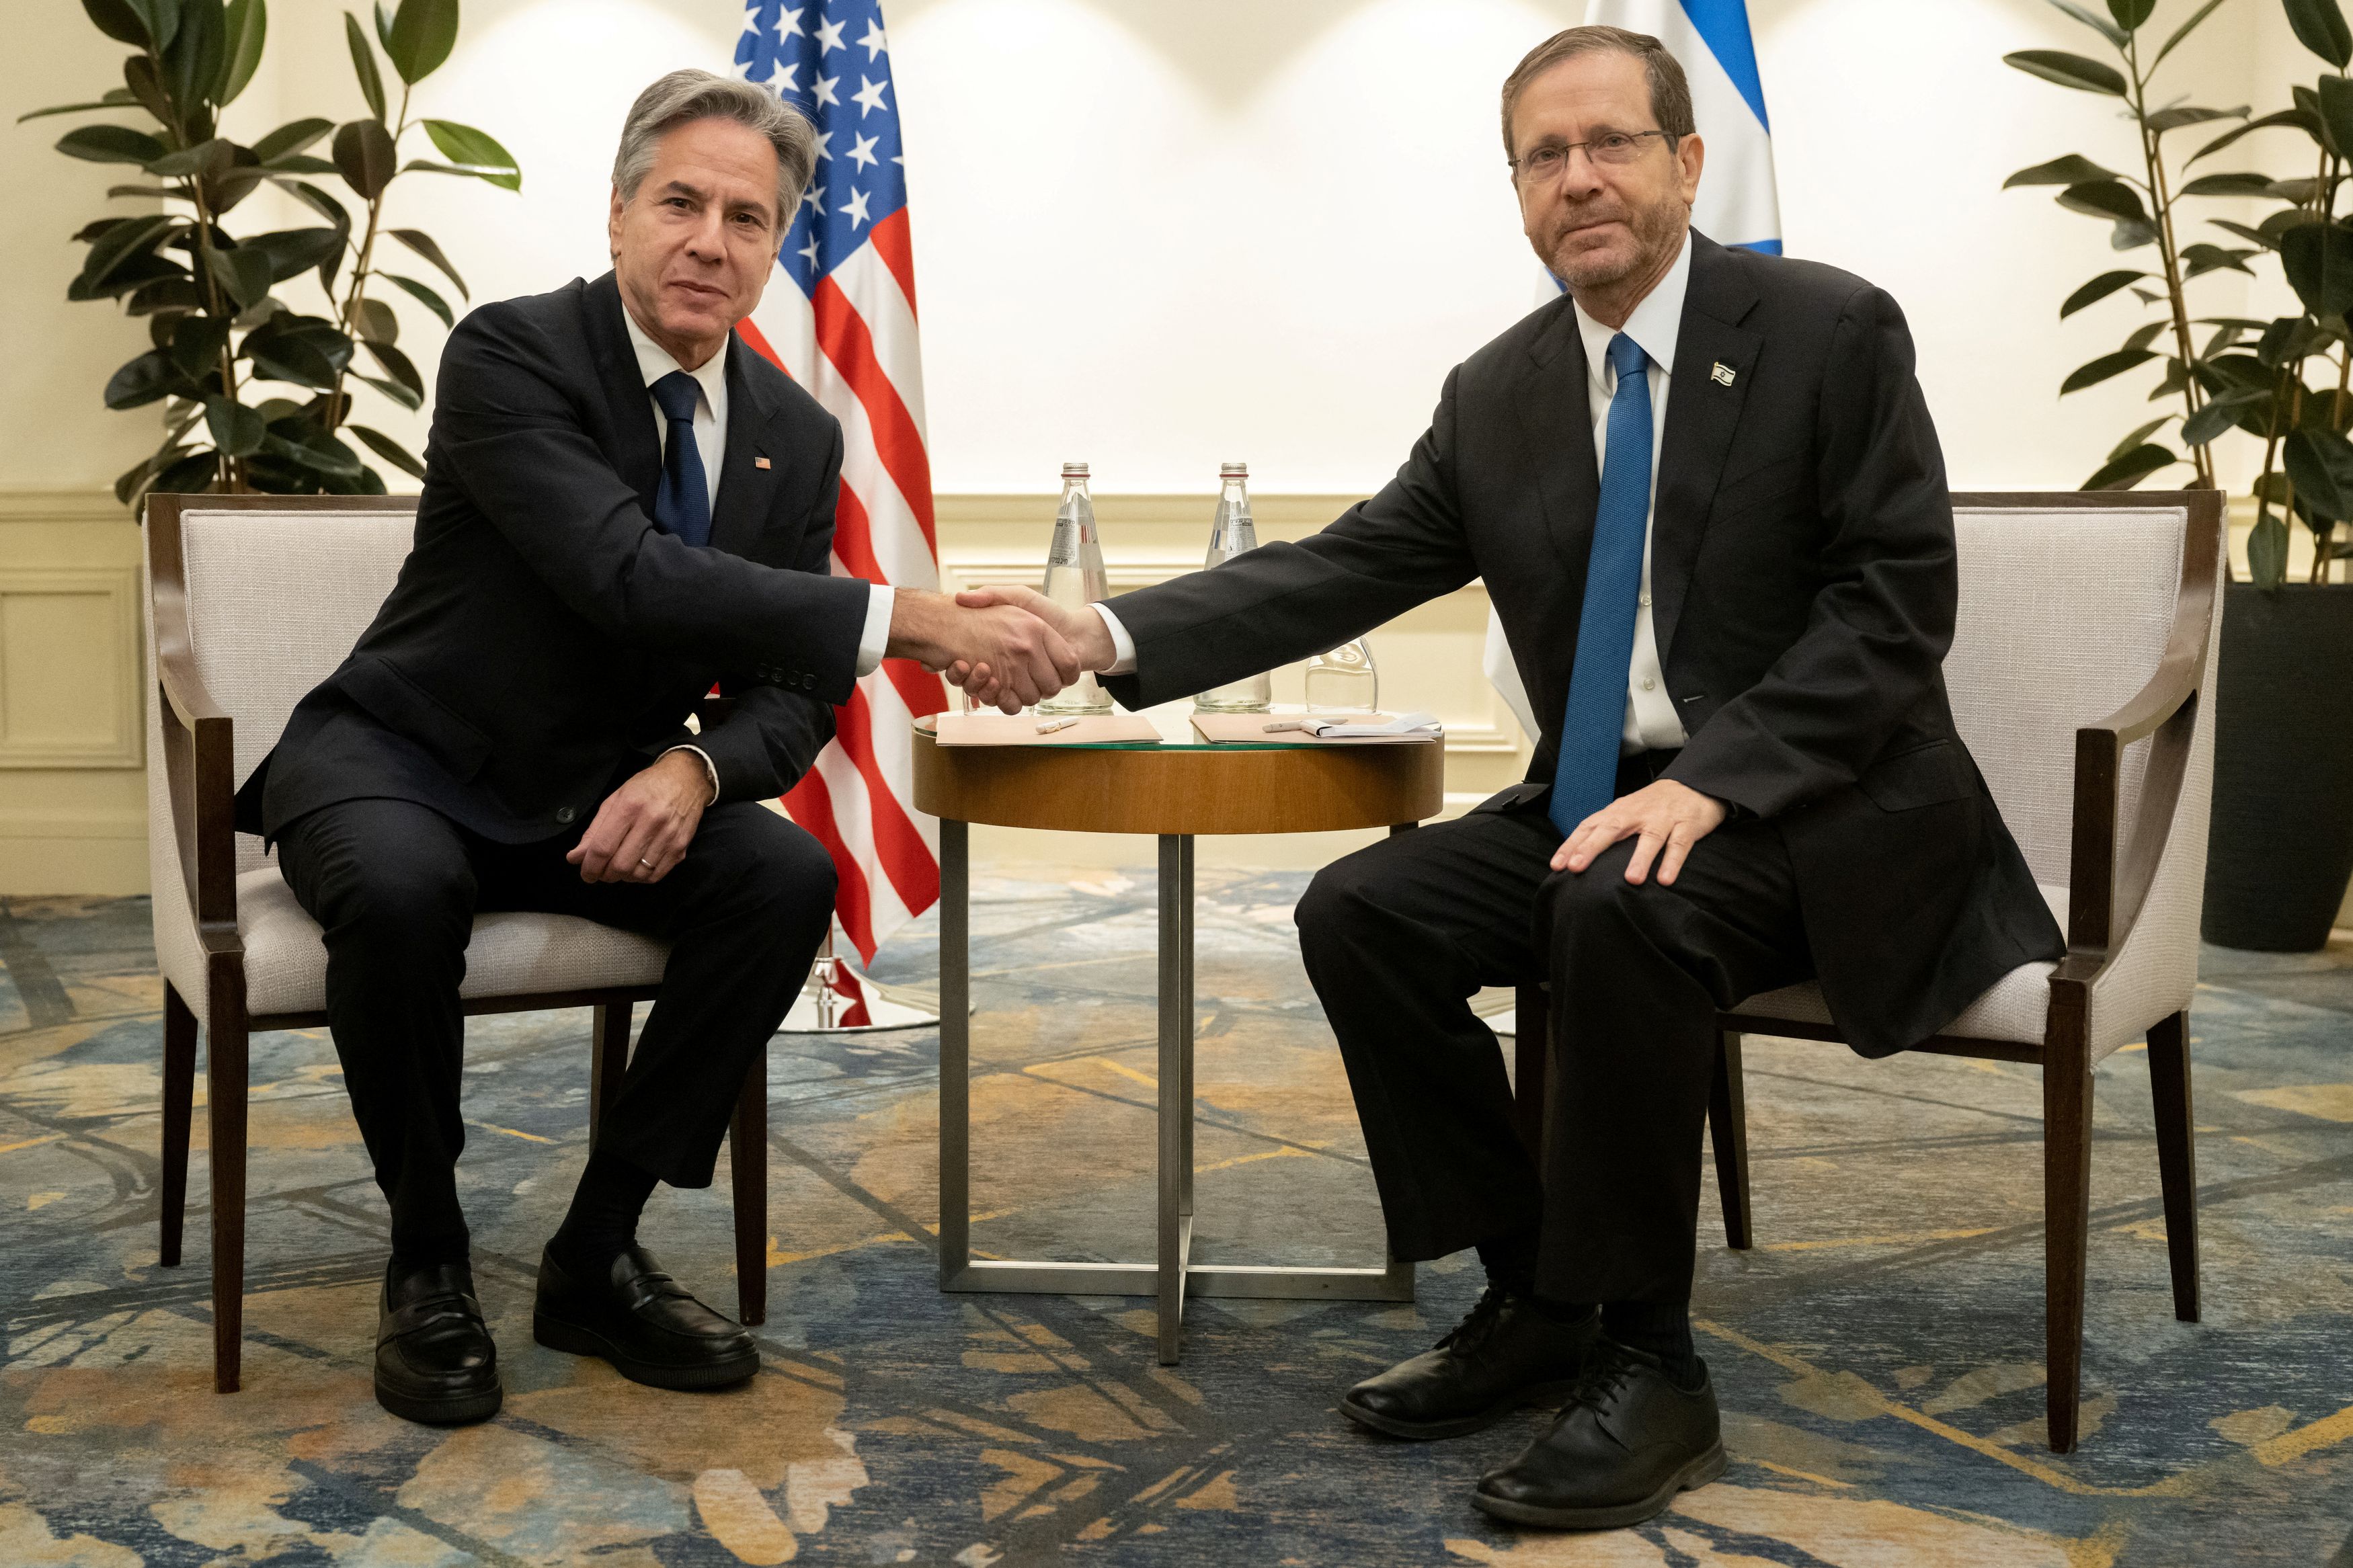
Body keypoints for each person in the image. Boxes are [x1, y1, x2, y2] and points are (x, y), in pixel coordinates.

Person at [951, 26, 2063, 1532]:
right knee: (1365, 911)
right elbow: (1346, 566)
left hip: (1827, 812)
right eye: (1544, 156)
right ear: (1518, 193)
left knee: (1619, 906)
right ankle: (1533, 1297)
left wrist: (1717, 783)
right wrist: (1102, 629)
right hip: (1603, 797)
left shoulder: (1824, 329)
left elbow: (1890, 602)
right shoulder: (1503, 390)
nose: (1578, 179)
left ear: (1683, 162)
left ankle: (1653, 1363)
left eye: (1609, 144)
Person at [235, 69, 1078, 1428]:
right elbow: (623, 575)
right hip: (404, 757)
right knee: (397, 894)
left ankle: (594, 1251)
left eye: (747, 219)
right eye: (679, 202)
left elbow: (791, 690)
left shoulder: (797, 436)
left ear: (775, 251)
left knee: (782, 881)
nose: (709, 241)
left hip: (601, 785)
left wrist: (694, 769)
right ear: (621, 214)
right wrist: (908, 617)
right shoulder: (511, 352)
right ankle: (428, 1257)